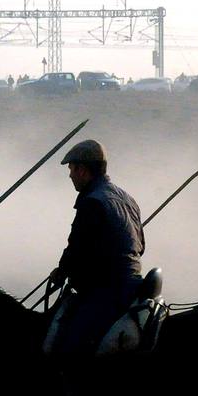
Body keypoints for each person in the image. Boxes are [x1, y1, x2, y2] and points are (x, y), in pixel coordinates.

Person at [46, 139, 146, 361]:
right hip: (134, 286)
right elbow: (141, 246)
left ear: (82, 170)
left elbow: (77, 250)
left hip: (108, 291)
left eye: (71, 169)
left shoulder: (92, 202)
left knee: (68, 351)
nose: (70, 175)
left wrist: (61, 272)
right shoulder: (127, 198)